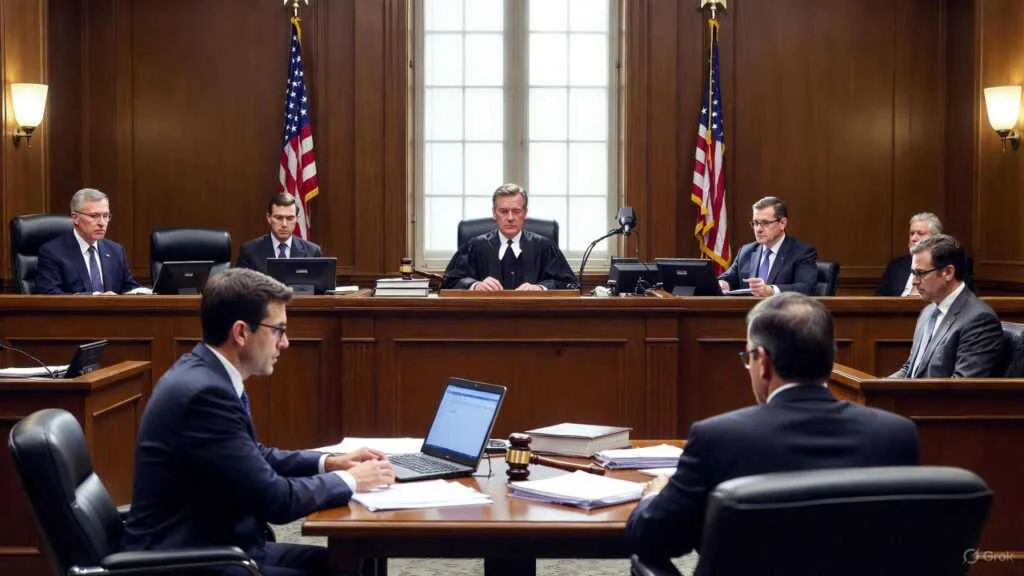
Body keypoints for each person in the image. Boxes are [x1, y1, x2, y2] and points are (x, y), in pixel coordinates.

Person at [121, 268, 395, 576]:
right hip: (188, 562)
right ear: (241, 332)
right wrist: (351, 480)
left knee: (359, 563)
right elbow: (275, 500)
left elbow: (254, 456)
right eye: (278, 330)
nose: (285, 343)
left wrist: (330, 463)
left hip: (219, 545)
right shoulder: (205, 395)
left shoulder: (205, 373)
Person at [625, 292, 919, 563]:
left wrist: (654, 495)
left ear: (762, 361)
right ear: (832, 356)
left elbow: (653, 537)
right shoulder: (896, 435)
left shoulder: (717, 438)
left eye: (747, 358)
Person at [889, 234, 1003, 378]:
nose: (914, 282)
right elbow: (910, 369)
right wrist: (879, 386)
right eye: (913, 273)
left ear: (948, 272)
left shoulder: (979, 320)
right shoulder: (928, 311)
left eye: (920, 273)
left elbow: (963, 384)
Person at [442, 183, 577, 291]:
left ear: (525, 213)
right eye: (504, 211)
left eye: (516, 211)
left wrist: (540, 288)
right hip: (486, 315)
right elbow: (449, 282)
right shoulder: (474, 246)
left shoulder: (545, 246)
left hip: (533, 315)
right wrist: (475, 285)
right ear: (494, 213)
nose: (510, 218)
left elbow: (570, 284)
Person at [35, 188, 144, 294]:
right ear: (75, 218)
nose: (102, 223)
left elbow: (129, 287)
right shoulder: (53, 252)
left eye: (105, 216)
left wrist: (144, 292)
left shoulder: (116, 250)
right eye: (94, 216)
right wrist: (96, 297)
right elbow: (50, 292)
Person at [717, 196, 817, 296]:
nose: (758, 229)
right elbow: (728, 278)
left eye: (765, 223)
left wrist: (771, 291)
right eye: (755, 223)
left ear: (782, 223)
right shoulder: (746, 251)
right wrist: (723, 284)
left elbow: (806, 288)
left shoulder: (802, 252)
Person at [237, 192, 323, 274]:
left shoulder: (312, 252)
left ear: (296, 219)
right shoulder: (250, 251)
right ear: (269, 217)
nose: (284, 224)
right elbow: (240, 283)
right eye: (278, 218)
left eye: (290, 218)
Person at [876, 212, 942, 296]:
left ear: (935, 238)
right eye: (912, 233)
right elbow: (879, 299)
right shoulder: (896, 265)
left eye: (920, 233)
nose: (913, 238)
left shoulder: (944, 264)